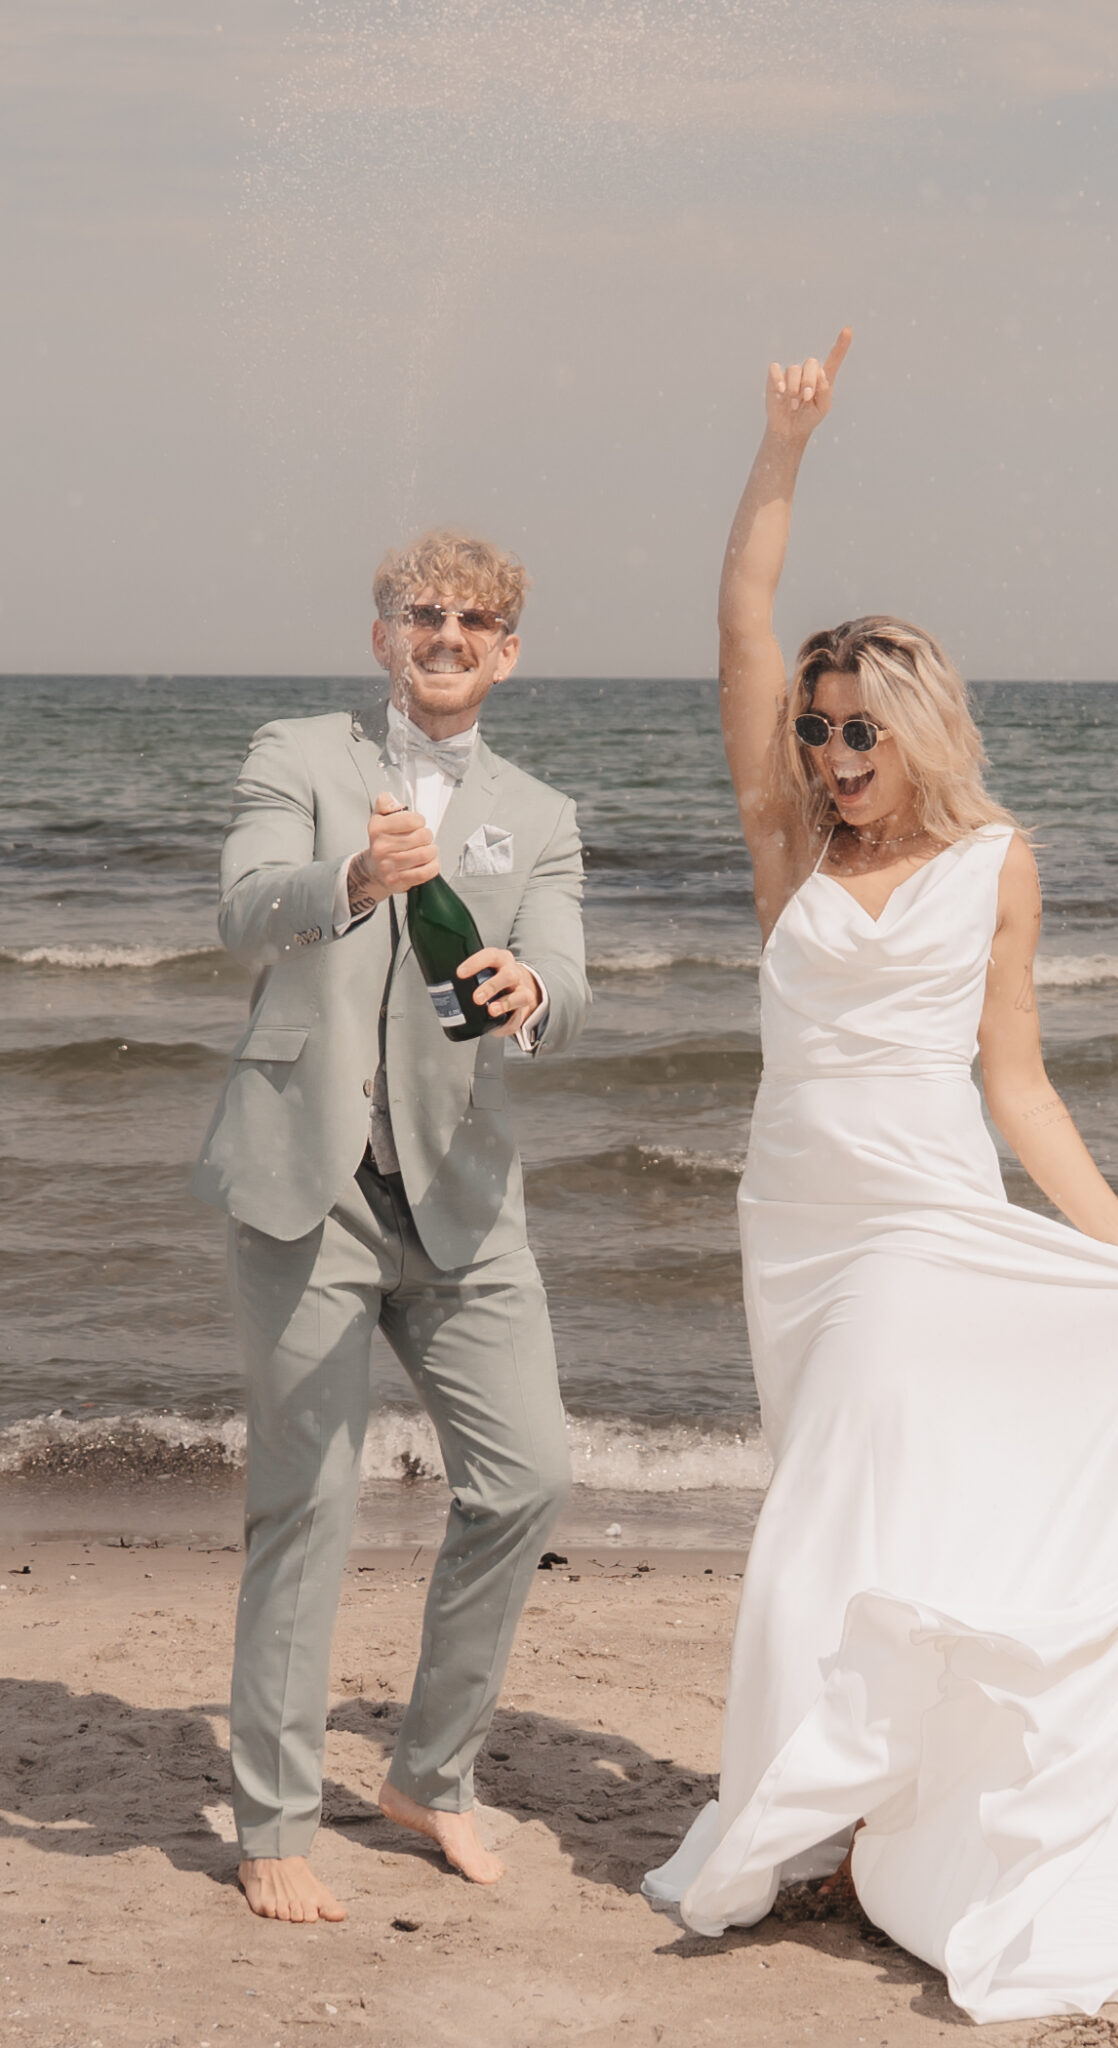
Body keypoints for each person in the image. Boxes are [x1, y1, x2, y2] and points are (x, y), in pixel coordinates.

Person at [642, 337, 1118, 2021]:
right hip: (792, 1219)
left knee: (819, 1521)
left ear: (916, 726)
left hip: (923, 1221)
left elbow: (1014, 1077)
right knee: (855, 1501)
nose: (834, 752)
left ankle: (791, 1812)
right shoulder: (784, 847)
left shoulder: (996, 864)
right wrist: (780, 450)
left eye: (859, 729)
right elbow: (735, 615)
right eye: (816, 726)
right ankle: (867, 1810)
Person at [192, 529, 589, 1923]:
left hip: (465, 1202)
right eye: (425, 613)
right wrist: (352, 884)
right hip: (306, 1185)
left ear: (509, 650)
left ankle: (428, 1772)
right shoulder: (297, 757)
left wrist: (527, 993)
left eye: (477, 620)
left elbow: (566, 978)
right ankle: (275, 1818)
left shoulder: (540, 811)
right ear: (382, 636)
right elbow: (243, 911)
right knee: (307, 1502)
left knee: (527, 1474)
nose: (449, 635)